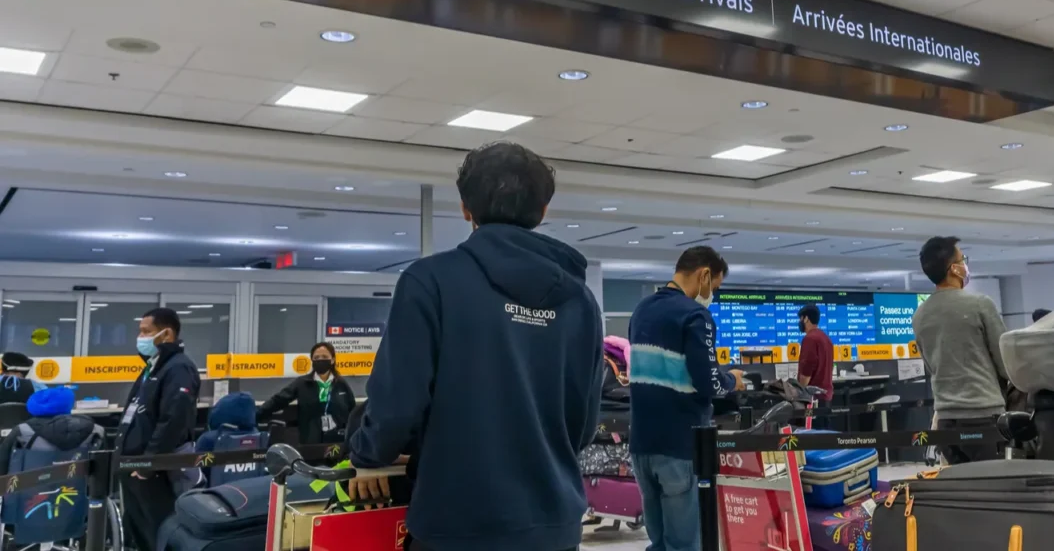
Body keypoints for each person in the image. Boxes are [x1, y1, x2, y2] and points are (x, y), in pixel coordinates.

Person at [347, 142, 603, 551]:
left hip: (458, 524)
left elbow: (398, 404)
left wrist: (367, 455)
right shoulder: (580, 300)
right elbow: (585, 424)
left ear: (466, 208)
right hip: (554, 525)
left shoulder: (429, 282)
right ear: (543, 211)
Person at [629, 246, 745, 551]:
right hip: (679, 445)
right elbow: (707, 382)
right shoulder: (695, 315)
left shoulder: (642, 309)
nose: (712, 295)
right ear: (704, 275)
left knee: (659, 542)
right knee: (684, 545)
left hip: (641, 444)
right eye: (715, 287)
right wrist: (732, 380)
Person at [913, 236, 1007, 464]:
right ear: (954, 269)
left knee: (963, 491)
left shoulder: (920, 316)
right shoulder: (980, 305)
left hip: (945, 419)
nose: (965, 264)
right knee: (993, 490)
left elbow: (931, 366)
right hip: (983, 415)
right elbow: (1006, 362)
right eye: (962, 259)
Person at [118, 308, 200, 551]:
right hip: (132, 465)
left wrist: (148, 464)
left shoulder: (178, 368)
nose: (140, 337)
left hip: (154, 470)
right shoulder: (153, 367)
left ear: (166, 335)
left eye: (146, 332)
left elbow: (173, 420)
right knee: (140, 530)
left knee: (159, 529)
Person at [259, 342, 356, 444]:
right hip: (311, 444)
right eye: (316, 357)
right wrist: (255, 415)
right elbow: (278, 400)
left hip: (338, 443)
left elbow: (353, 412)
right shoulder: (302, 383)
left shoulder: (341, 384)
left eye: (324, 356)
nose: (320, 360)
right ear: (312, 361)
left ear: (332, 360)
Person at [797, 304, 834, 401]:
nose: (799, 322)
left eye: (800, 318)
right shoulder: (826, 339)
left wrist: (799, 393)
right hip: (826, 396)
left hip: (813, 399)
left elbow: (806, 372)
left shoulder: (810, 339)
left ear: (806, 319)